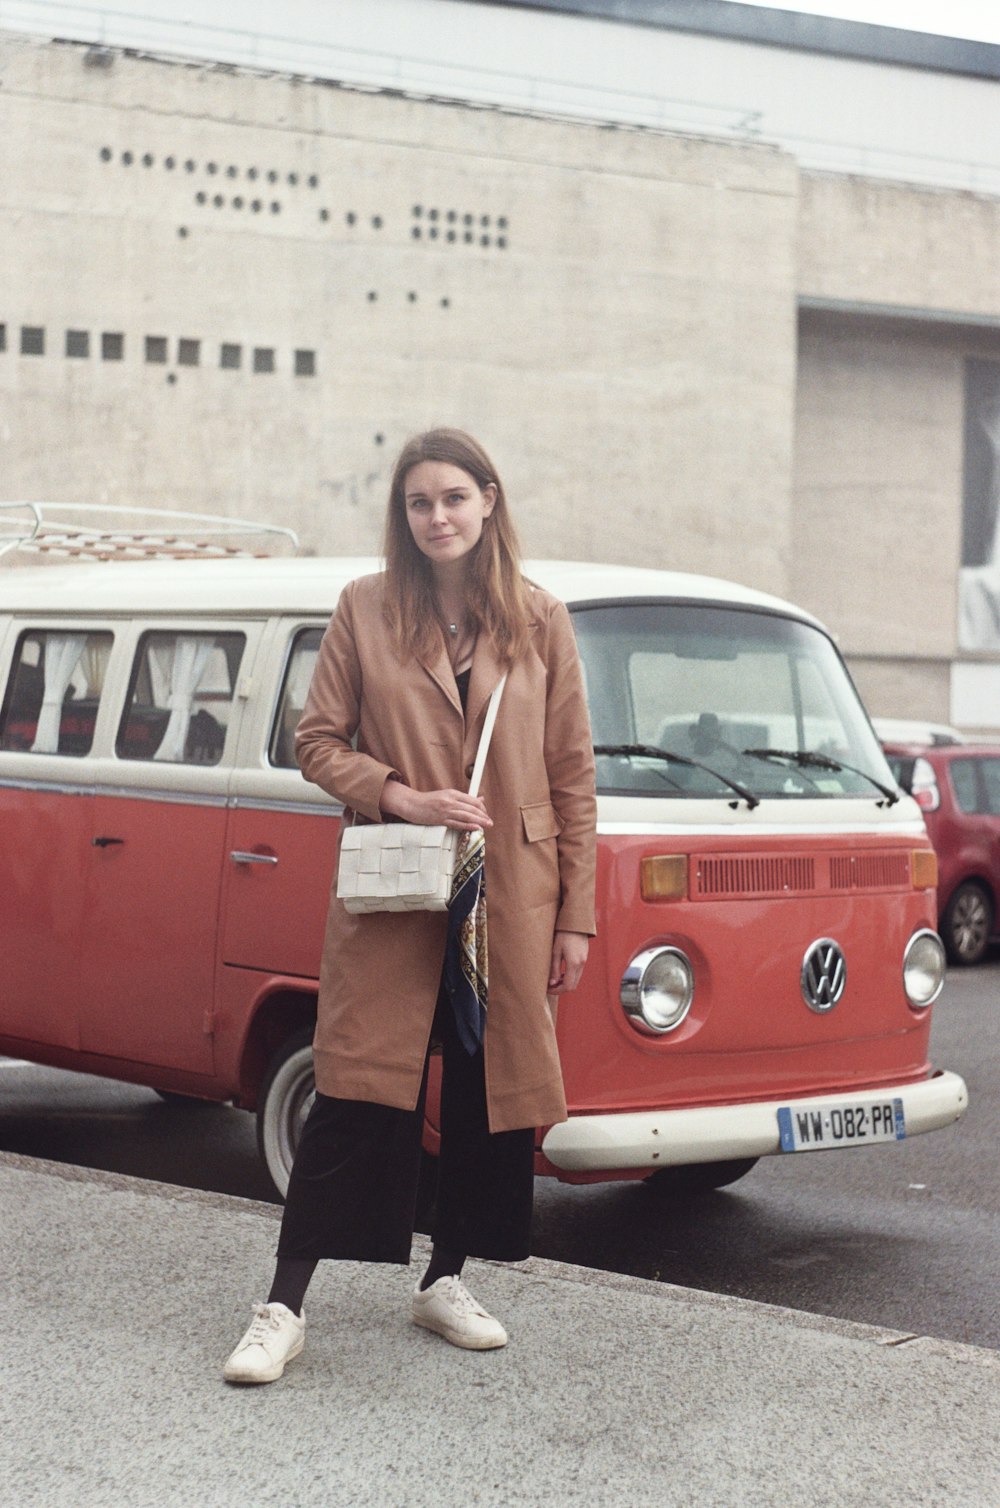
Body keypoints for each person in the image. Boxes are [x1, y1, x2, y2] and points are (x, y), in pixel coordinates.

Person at [223, 428, 597, 1383]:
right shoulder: (365, 606)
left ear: (489, 502)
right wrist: (402, 794)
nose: (437, 517)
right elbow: (316, 742)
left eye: (453, 499)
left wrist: (577, 918)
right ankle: (283, 1304)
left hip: (509, 896)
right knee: (356, 1092)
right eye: (419, 503)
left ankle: (446, 1279)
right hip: (399, 890)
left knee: (485, 1093)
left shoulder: (540, 619)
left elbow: (571, 778)